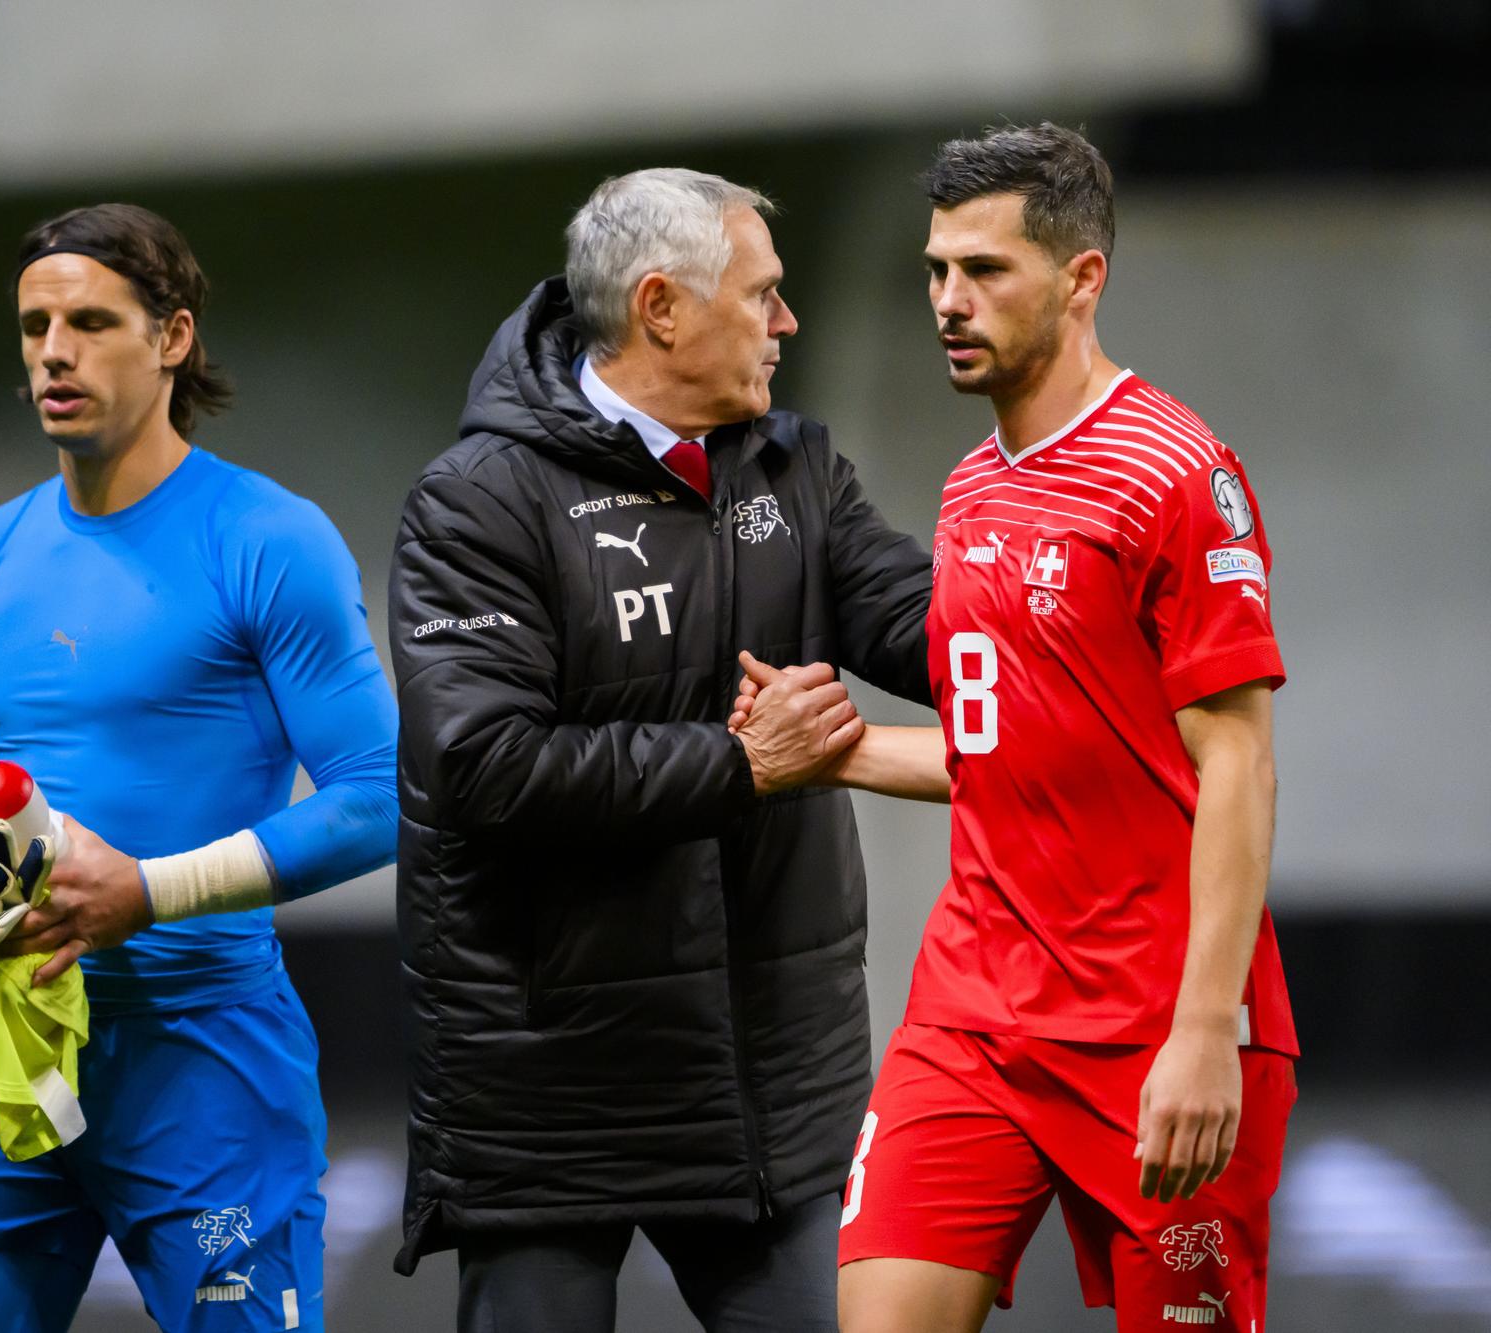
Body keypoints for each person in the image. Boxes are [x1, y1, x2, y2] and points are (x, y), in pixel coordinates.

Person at [735, 123, 1298, 1332]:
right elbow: (1000, 754)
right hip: (974, 1012)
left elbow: (1236, 761)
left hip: (1155, 1024)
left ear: (1081, 278)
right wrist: (817, 755)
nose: (948, 299)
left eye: (984, 271)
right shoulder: (971, 485)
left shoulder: (1176, 474)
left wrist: (1205, 1033)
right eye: (936, 269)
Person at [388, 168, 934, 1331]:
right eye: (763, 295)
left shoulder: (793, 470)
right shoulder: (477, 501)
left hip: (765, 1089)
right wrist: (742, 766)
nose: (786, 323)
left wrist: (1075, 579)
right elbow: (481, 766)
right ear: (660, 308)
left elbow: (930, 633)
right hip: (549, 1099)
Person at [0, 202, 400, 1332]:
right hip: (9, 1060)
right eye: (32, 328)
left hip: (204, 1059)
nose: (52, 354)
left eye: (87, 321)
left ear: (171, 338)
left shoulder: (268, 538)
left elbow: (377, 799)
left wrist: (149, 892)